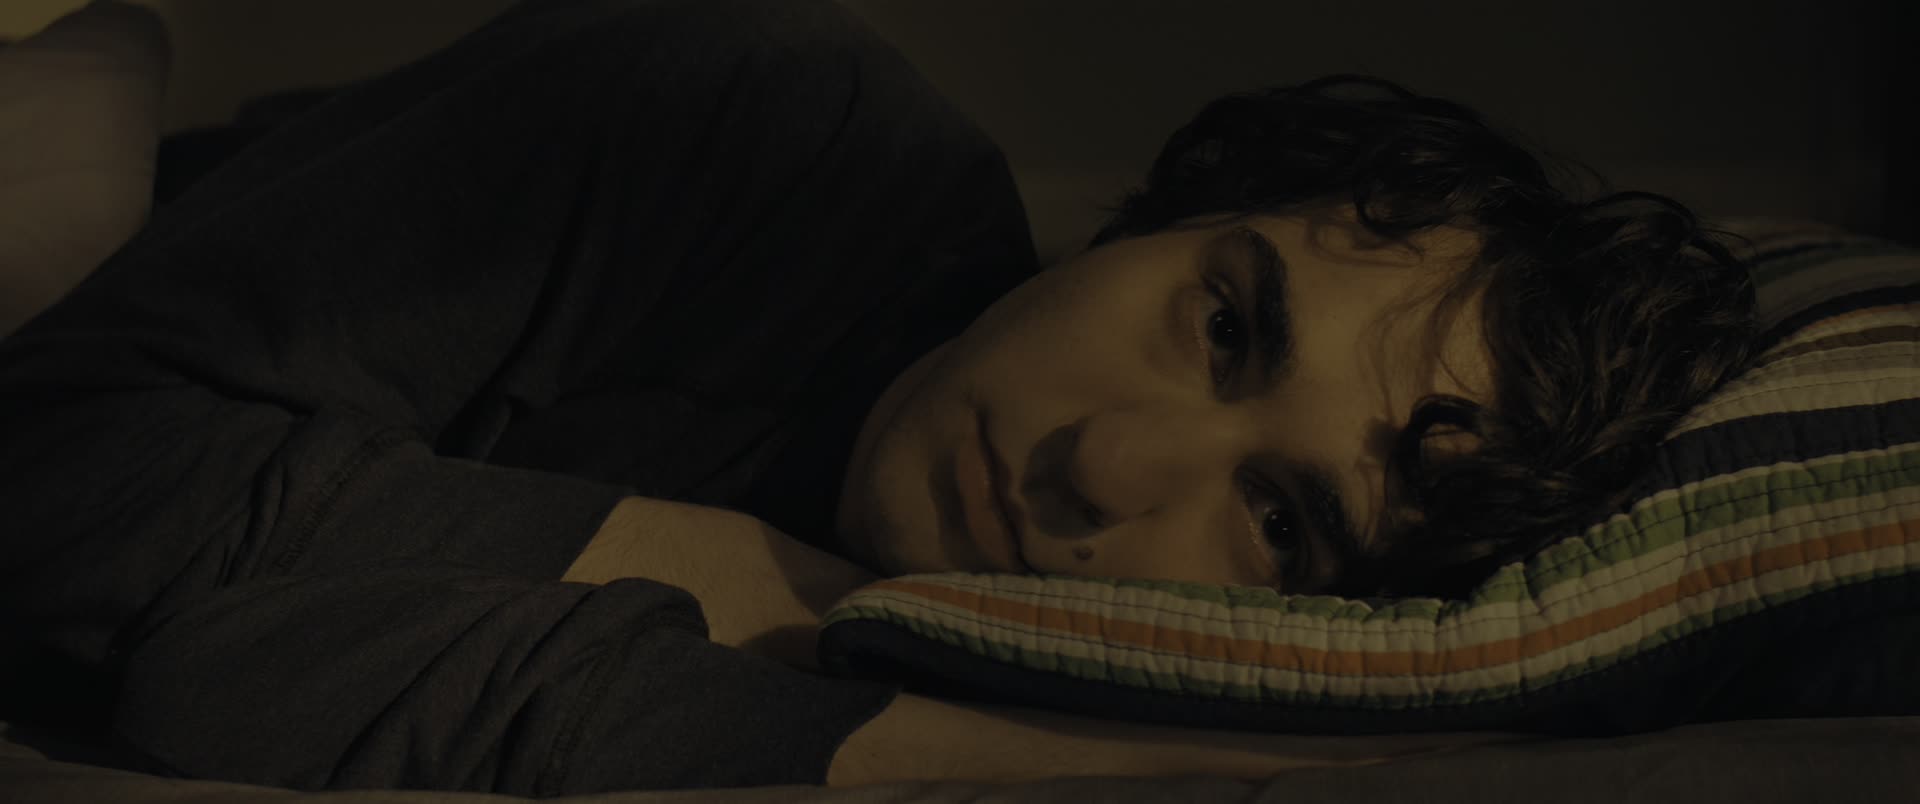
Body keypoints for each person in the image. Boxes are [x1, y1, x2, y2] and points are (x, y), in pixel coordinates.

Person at [0, 0, 1757, 794]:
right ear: (1163, 217)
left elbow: (230, 670)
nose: (1103, 463)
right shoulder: (758, 115)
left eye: (1281, 523)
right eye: (1223, 324)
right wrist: (796, 602)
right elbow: (51, 490)